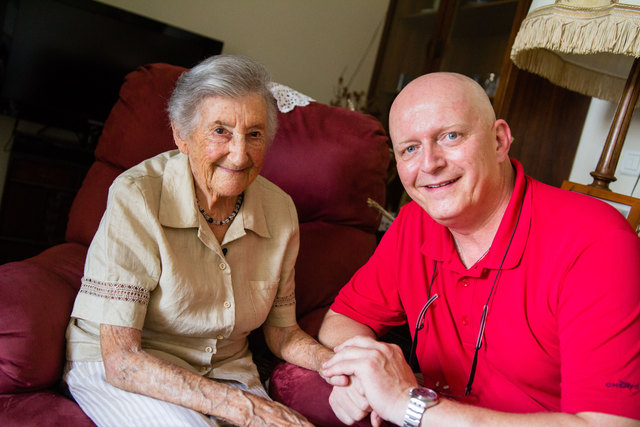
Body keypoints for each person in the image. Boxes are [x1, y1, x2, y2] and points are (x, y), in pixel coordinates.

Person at [318, 72, 640, 426]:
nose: (429, 164)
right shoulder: (414, 223)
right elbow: (342, 320)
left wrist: (407, 403)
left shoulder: (596, 240)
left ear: (500, 141)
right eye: (410, 148)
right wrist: (364, 371)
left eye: (450, 136)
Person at [64, 55, 334, 426]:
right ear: (181, 135)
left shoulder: (279, 210)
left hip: (227, 371)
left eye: (254, 134)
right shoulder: (138, 196)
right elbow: (122, 360)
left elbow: (282, 332)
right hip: (133, 366)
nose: (240, 155)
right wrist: (246, 408)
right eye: (220, 131)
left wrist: (333, 364)